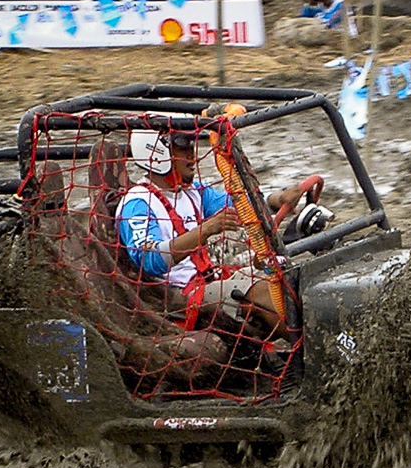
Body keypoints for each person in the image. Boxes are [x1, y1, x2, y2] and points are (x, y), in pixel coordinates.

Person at [115, 127, 306, 334]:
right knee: (263, 292)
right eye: (183, 149)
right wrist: (205, 231)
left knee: (286, 277)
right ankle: (310, 352)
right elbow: (148, 261)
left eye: (191, 148)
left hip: (209, 280)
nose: (193, 156)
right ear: (157, 153)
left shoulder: (194, 192)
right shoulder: (137, 203)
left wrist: (277, 200)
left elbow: (241, 205)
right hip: (178, 297)